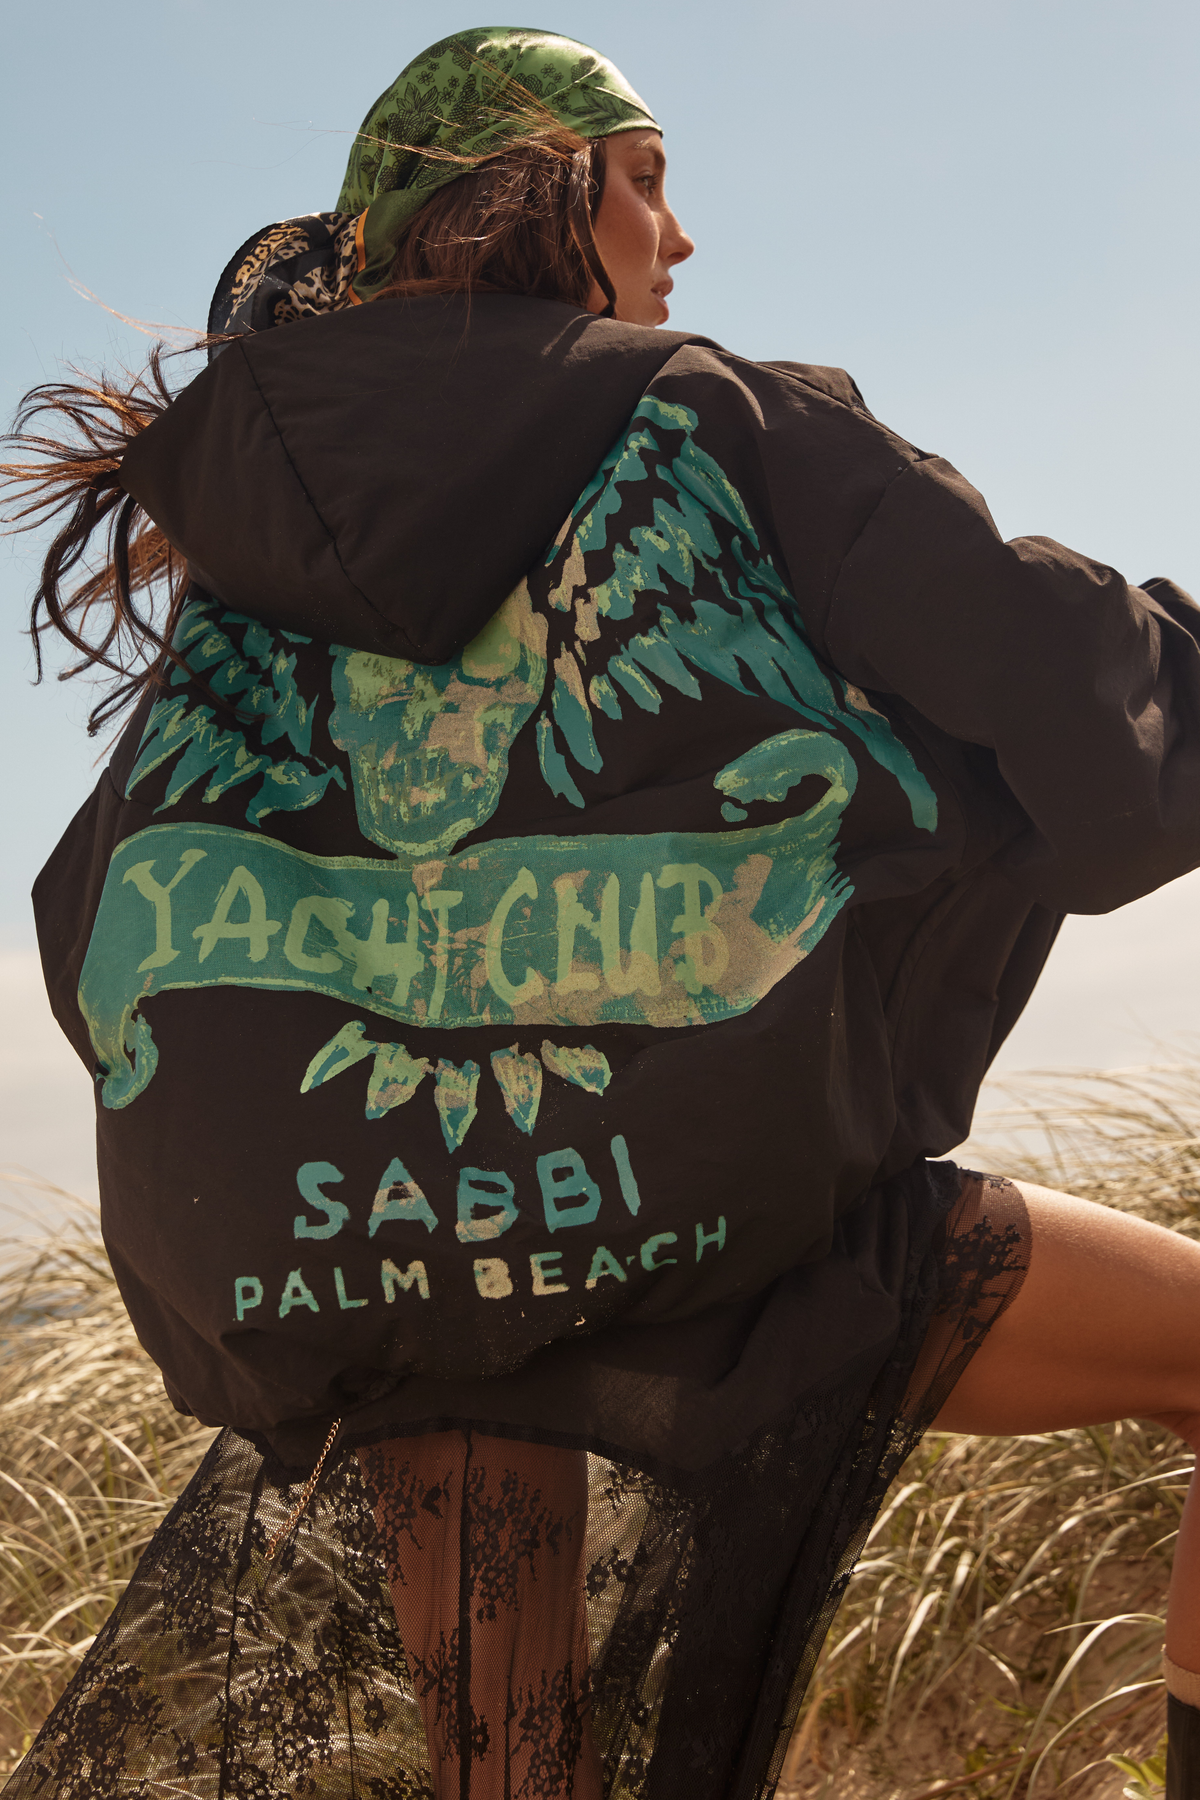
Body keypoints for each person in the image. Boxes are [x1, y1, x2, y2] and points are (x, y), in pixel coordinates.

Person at [4, 24, 1200, 1799]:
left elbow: (96, 903)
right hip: (715, 1228)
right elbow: (1055, 681)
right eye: (644, 181)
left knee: (514, 1773)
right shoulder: (715, 417)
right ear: (531, 197)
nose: (678, 234)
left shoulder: (242, 517)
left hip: (365, 1260)